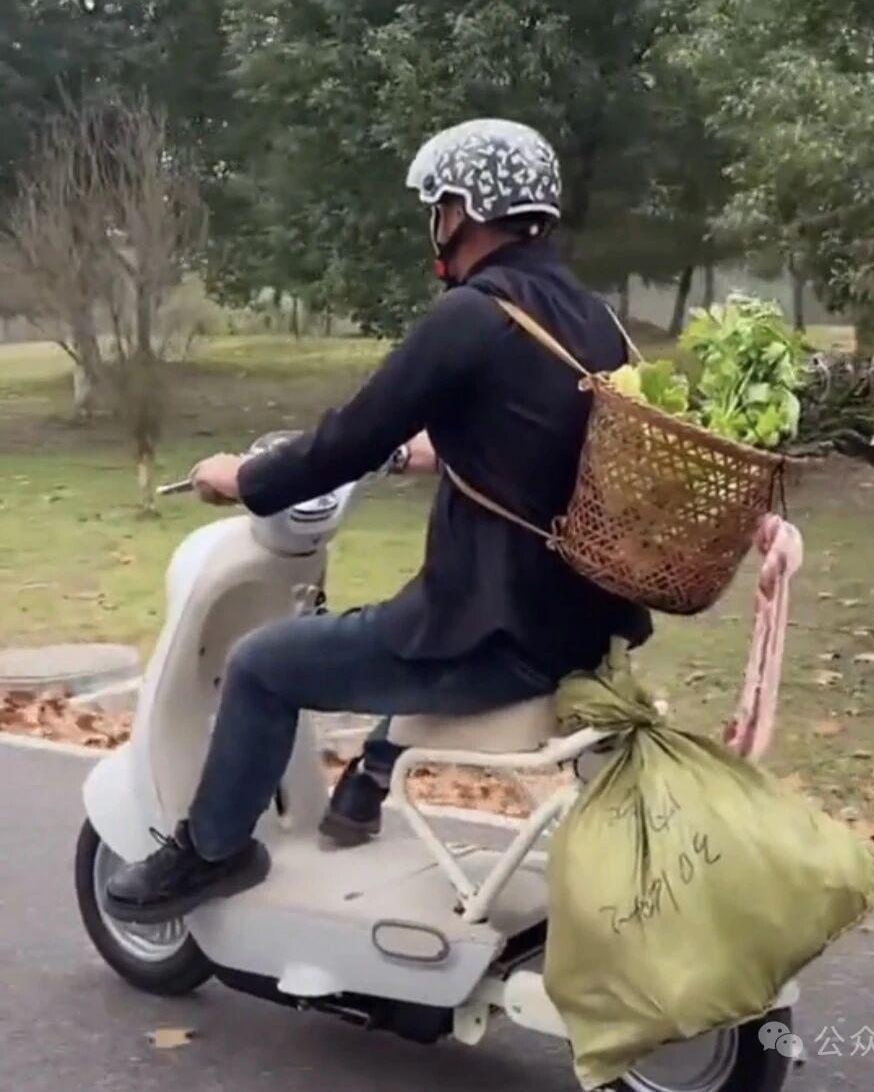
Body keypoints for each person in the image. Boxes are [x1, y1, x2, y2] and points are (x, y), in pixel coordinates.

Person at [104, 119, 651, 923]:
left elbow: (348, 437)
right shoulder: (592, 318)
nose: (437, 220)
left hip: (500, 642)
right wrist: (440, 451)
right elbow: (544, 438)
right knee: (400, 619)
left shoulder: (475, 314)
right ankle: (365, 784)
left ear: (465, 209)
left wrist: (243, 477)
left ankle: (211, 853)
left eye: (440, 204)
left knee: (263, 663)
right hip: (579, 626)